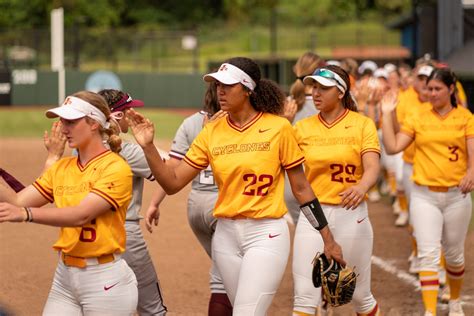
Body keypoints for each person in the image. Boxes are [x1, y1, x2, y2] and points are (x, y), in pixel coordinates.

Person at [126, 57, 345, 316]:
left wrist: (327, 239)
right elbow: (173, 183)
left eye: (227, 85)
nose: (220, 90)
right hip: (226, 236)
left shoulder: (278, 128)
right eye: (217, 84)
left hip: (266, 233)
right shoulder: (211, 131)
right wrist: (148, 147)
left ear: (248, 89)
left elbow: (302, 189)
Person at [0, 91, 138, 315]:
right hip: (64, 277)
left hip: (105, 281)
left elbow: (81, 215)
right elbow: (18, 199)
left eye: (71, 121)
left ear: (93, 123)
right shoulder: (62, 167)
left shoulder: (116, 167)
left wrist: (26, 214)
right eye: (63, 121)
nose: (64, 128)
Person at [381, 67, 473, 316]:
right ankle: (430, 311)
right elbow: (392, 147)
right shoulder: (417, 117)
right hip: (424, 195)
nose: (431, 93)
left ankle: (454, 301)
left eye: (437, 89)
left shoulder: (465, 117)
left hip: (457, 196)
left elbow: (472, 156)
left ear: (451, 89)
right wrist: (386, 115)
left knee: (454, 255)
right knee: (428, 254)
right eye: (429, 88)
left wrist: (471, 173)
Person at [292, 65, 381, 316]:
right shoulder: (302, 128)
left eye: (323, 88)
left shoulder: (361, 124)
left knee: (359, 295)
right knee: (304, 297)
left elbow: (373, 167)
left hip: (351, 213)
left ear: (341, 92)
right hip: (313, 217)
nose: (316, 93)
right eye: (314, 87)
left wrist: (362, 186)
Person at [146, 82, 232, 315]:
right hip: (225, 206)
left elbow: (172, 168)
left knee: (225, 271)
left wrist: (154, 203)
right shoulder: (238, 122)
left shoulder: (191, 123)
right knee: (228, 277)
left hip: (196, 207)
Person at [282, 51, 323, 224]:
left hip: (292, 182)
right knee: (329, 239)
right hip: (322, 178)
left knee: (306, 238)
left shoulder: (287, 102)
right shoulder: (329, 102)